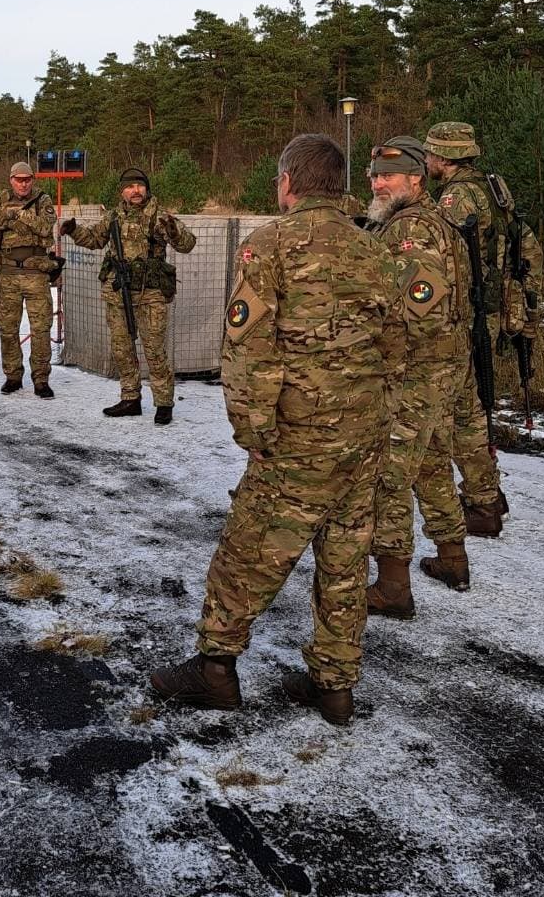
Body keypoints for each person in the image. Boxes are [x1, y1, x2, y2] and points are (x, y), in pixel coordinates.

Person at [149, 135, 405, 726]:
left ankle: (215, 669)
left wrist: (254, 430)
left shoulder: (271, 244)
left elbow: (248, 349)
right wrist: (374, 414)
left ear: (289, 181)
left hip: (297, 439)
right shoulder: (376, 250)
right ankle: (334, 686)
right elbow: (396, 345)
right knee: (344, 561)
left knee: (249, 551)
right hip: (362, 436)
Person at [363, 137, 473, 616]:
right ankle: (453, 558)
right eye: (374, 176)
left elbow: (417, 312)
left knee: (390, 474)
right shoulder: (437, 219)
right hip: (444, 369)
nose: (378, 184)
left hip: (414, 372)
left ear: (415, 178)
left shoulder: (410, 229)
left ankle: (393, 586)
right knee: (430, 464)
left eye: (388, 176)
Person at [423, 122, 542, 538]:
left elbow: (445, 258)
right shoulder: (493, 187)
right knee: (472, 405)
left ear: (444, 157)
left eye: (430, 154)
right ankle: (487, 494)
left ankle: (481, 499)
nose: (427, 161)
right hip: (492, 307)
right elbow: (526, 245)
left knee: (463, 410)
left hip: (469, 312)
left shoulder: (456, 197)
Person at [59, 167, 196, 425]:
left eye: (140, 186)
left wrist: (173, 231)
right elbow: (95, 240)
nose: (136, 191)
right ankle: (130, 398)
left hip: (150, 293)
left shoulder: (159, 216)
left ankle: (163, 403)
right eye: (130, 187)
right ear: (122, 191)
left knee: (154, 350)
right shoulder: (113, 217)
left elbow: (187, 244)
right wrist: (74, 230)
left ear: (147, 189)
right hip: (119, 293)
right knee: (122, 348)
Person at [0, 161, 58, 399]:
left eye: (27, 179)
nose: (23, 184)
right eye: (19, 180)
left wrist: (19, 215)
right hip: (8, 274)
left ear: (33, 180)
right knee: (8, 328)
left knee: (41, 329)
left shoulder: (42, 200)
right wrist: (5, 220)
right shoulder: (0, 200)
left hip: (36, 274)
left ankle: (41, 379)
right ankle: (13, 376)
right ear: (11, 180)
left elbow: (45, 228)